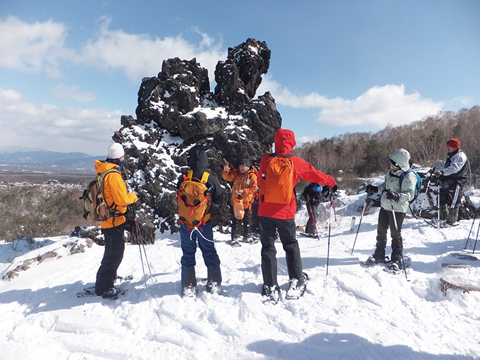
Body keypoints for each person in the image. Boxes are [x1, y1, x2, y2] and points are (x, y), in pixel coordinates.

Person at [258, 129, 337, 301]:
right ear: (291, 143)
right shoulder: (295, 162)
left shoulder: (265, 160)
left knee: (268, 247)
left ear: (276, 142)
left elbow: (260, 182)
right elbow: (315, 175)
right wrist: (331, 182)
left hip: (265, 211)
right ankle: (295, 280)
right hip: (285, 212)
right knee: (290, 245)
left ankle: (270, 285)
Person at [177, 149, 224, 297]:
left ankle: (188, 285)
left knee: (188, 253)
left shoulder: (184, 177)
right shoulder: (210, 178)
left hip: (186, 224)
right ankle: (214, 283)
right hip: (204, 222)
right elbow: (220, 198)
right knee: (209, 251)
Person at [95, 143, 139, 298]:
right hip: (114, 220)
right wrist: (133, 197)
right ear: (120, 158)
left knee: (112, 252)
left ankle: (109, 279)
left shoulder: (104, 171)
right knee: (115, 254)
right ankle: (103, 287)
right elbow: (121, 200)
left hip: (108, 219)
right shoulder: (113, 175)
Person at [365, 148, 416, 270]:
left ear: (400, 164)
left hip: (397, 209)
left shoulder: (408, 176)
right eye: (391, 163)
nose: (391, 165)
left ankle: (396, 259)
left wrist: (397, 196)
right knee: (381, 231)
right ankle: (379, 255)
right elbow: (385, 185)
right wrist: (376, 189)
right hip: (385, 206)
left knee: (395, 233)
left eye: (394, 163)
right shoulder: (390, 172)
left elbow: (409, 194)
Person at [431, 138, 469, 226]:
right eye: (448, 146)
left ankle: (451, 221)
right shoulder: (451, 156)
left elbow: (455, 168)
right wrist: (435, 170)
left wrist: (442, 173)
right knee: (442, 197)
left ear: (455, 147)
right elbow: (444, 165)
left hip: (458, 180)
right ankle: (442, 217)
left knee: (454, 200)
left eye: (450, 146)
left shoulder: (460, 156)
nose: (448, 148)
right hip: (449, 179)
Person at [222, 158, 258, 246]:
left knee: (247, 219)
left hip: (247, 201)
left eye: (243, 166)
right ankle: (234, 237)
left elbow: (254, 188)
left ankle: (247, 236)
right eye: (240, 166)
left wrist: (243, 191)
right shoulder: (237, 174)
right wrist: (225, 171)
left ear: (248, 166)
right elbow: (228, 177)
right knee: (235, 219)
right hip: (237, 201)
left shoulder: (252, 176)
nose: (241, 168)